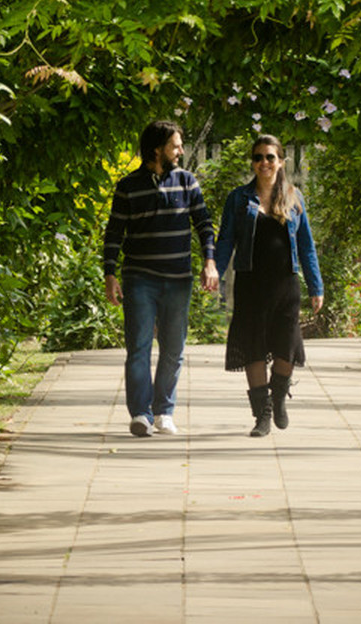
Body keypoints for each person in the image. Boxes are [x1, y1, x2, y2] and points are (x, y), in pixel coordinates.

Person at [104, 120, 219, 437]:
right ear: (158, 149)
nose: (181, 151)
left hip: (178, 278)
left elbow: (204, 225)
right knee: (138, 347)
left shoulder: (187, 182)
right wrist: (109, 274)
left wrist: (210, 262)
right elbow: (114, 232)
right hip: (139, 278)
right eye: (176, 145)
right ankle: (140, 414)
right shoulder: (128, 186)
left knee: (173, 349)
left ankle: (163, 411)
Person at [215, 134, 324, 437]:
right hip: (250, 284)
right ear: (253, 162)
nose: (264, 162)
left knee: (286, 348)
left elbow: (307, 246)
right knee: (253, 347)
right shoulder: (239, 198)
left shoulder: (293, 196)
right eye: (258, 157)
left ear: (280, 162)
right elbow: (225, 239)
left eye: (270, 157)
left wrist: (317, 286)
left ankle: (278, 395)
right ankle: (262, 414)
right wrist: (214, 268)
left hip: (285, 285)